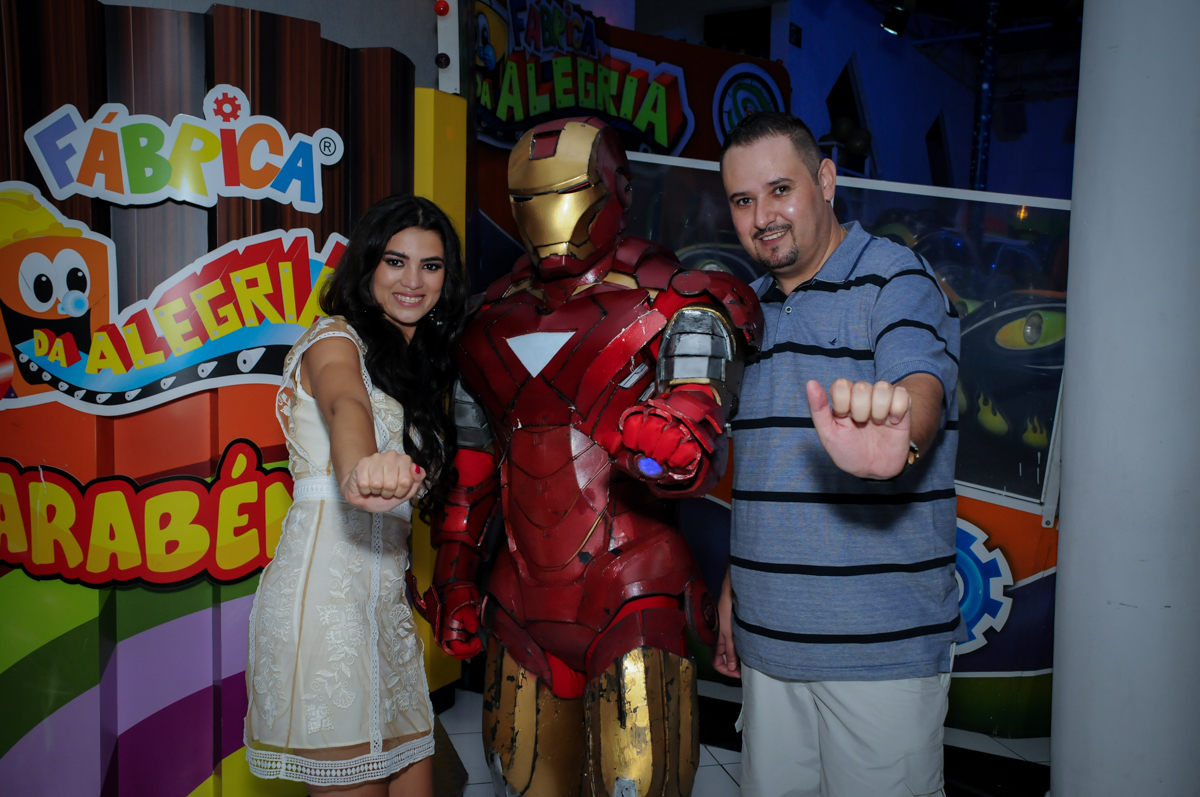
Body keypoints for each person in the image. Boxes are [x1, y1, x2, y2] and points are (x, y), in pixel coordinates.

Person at [415, 117, 762, 797]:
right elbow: (473, 473)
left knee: (640, 783)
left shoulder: (678, 302)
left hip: (633, 590)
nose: (548, 213)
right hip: (521, 600)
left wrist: (664, 442)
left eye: (570, 189)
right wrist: (456, 576)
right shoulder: (488, 322)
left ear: (616, 187)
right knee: (521, 780)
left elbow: (693, 451)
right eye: (528, 197)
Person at [713, 111, 963, 797]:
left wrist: (904, 429)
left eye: (779, 190)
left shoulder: (894, 279)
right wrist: (738, 582)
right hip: (769, 641)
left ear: (826, 180)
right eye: (743, 200)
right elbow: (764, 466)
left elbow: (921, 384)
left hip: (877, 653)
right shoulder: (748, 311)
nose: (763, 216)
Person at [244, 195, 469, 797]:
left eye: (431, 266)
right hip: (324, 607)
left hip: (384, 609)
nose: (412, 281)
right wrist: (362, 466)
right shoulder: (332, 339)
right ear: (367, 266)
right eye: (395, 261)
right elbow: (347, 404)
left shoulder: (414, 364)